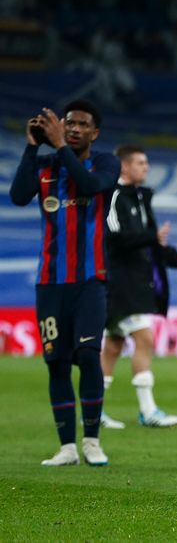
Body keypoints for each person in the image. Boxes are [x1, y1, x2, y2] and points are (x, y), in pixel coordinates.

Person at [10, 100, 120, 466]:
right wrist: (32, 146)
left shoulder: (106, 163)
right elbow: (18, 196)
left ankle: (91, 440)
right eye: (68, 123)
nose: (73, 129)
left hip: (90, 280)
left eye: (81, 125)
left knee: (88, 355)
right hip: (50, 282)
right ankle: (67, 447)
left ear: (95, 132)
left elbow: (90, 184)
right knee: (56, 362)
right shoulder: (46, 166)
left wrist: (58, 145)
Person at [100, 144, 177, 430]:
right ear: (125, 166)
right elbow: (114, 238)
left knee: (114, 346)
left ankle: (94, 411)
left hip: (134, 283)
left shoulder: (141, 199)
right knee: (144, 339)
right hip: (120, 283)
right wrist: (149, 237)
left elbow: (151, 243)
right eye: (141, 163)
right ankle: (148, 411)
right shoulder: (114, 196)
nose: (146, 168)